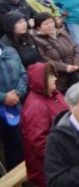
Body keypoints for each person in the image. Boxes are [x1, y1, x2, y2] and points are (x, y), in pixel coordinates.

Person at [21, 62, 67, 187]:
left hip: (61, 160)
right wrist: (65, 154)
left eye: (54, 75)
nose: (55, 78)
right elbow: (39, 144)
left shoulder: (54, 94)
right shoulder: (35, 107)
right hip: (47, 171)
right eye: (51, 76)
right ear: (41, 80)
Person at [32, 12, 79, 92]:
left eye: (51, 22)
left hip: (74, 73)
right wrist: (65, 67)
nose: (49, 26)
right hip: (57, 78)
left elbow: (75, 47)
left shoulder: (63, 33)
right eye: (45, 24)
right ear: (38, 27)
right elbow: (44, 59)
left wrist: (76, 64)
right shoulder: (37, 40)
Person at [0, 26, 27, 170]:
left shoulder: (10, 51)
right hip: (3, 105)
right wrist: (4, 97)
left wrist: (18, 93)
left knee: (17, 147)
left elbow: (23, 74)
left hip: (15, 106)